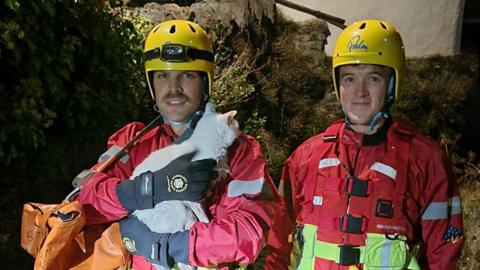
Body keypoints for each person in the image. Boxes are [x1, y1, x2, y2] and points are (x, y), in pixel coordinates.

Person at [76, 20, 285, 269]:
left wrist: (169, 246)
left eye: (187, 75)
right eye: (163, 75)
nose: (173, 88)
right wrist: (147, 189)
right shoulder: (132, 142)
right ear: (152, 84)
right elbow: (85, 202)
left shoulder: (241, 153)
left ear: (204, 82)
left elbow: (250, 230)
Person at [277, 19, 464, 270]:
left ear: (391, 84)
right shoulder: (306, 157)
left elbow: (443, 253)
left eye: (373, 78)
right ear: (338, 84)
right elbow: (278, 245)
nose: (360, 92)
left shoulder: (425, 159)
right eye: (350, 79)